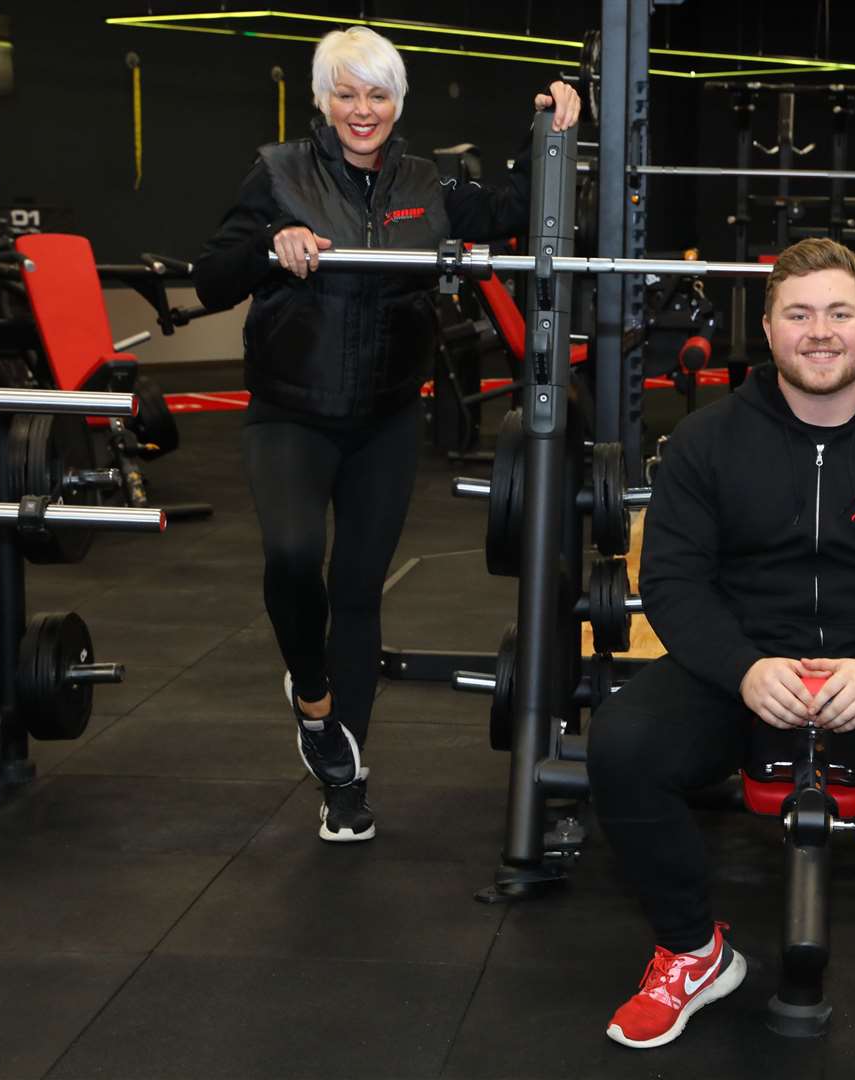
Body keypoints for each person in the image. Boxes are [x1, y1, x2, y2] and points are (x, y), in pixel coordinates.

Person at [586, 238, 855, 1063]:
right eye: (798, 314)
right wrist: (744, 668)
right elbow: (675, 583)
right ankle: (691, 951)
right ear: (766, 328)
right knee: (621, 743)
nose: (818, 333)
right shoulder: (706, 441)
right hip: (745, 672)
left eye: (837, 313)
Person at [193, 27, 580, 843]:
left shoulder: (427, 183)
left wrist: (548, 129)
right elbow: (211, 275)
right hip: (291, 413)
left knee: (361, 592)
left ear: (398, 102)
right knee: (296, 558)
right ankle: (311, 698)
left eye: (376, 94)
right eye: (346, 93)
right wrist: (272, 246)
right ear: (323, 101)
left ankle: (345, 779)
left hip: (386, 417)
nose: (361, 109)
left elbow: (514, 211)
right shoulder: (278, 173)